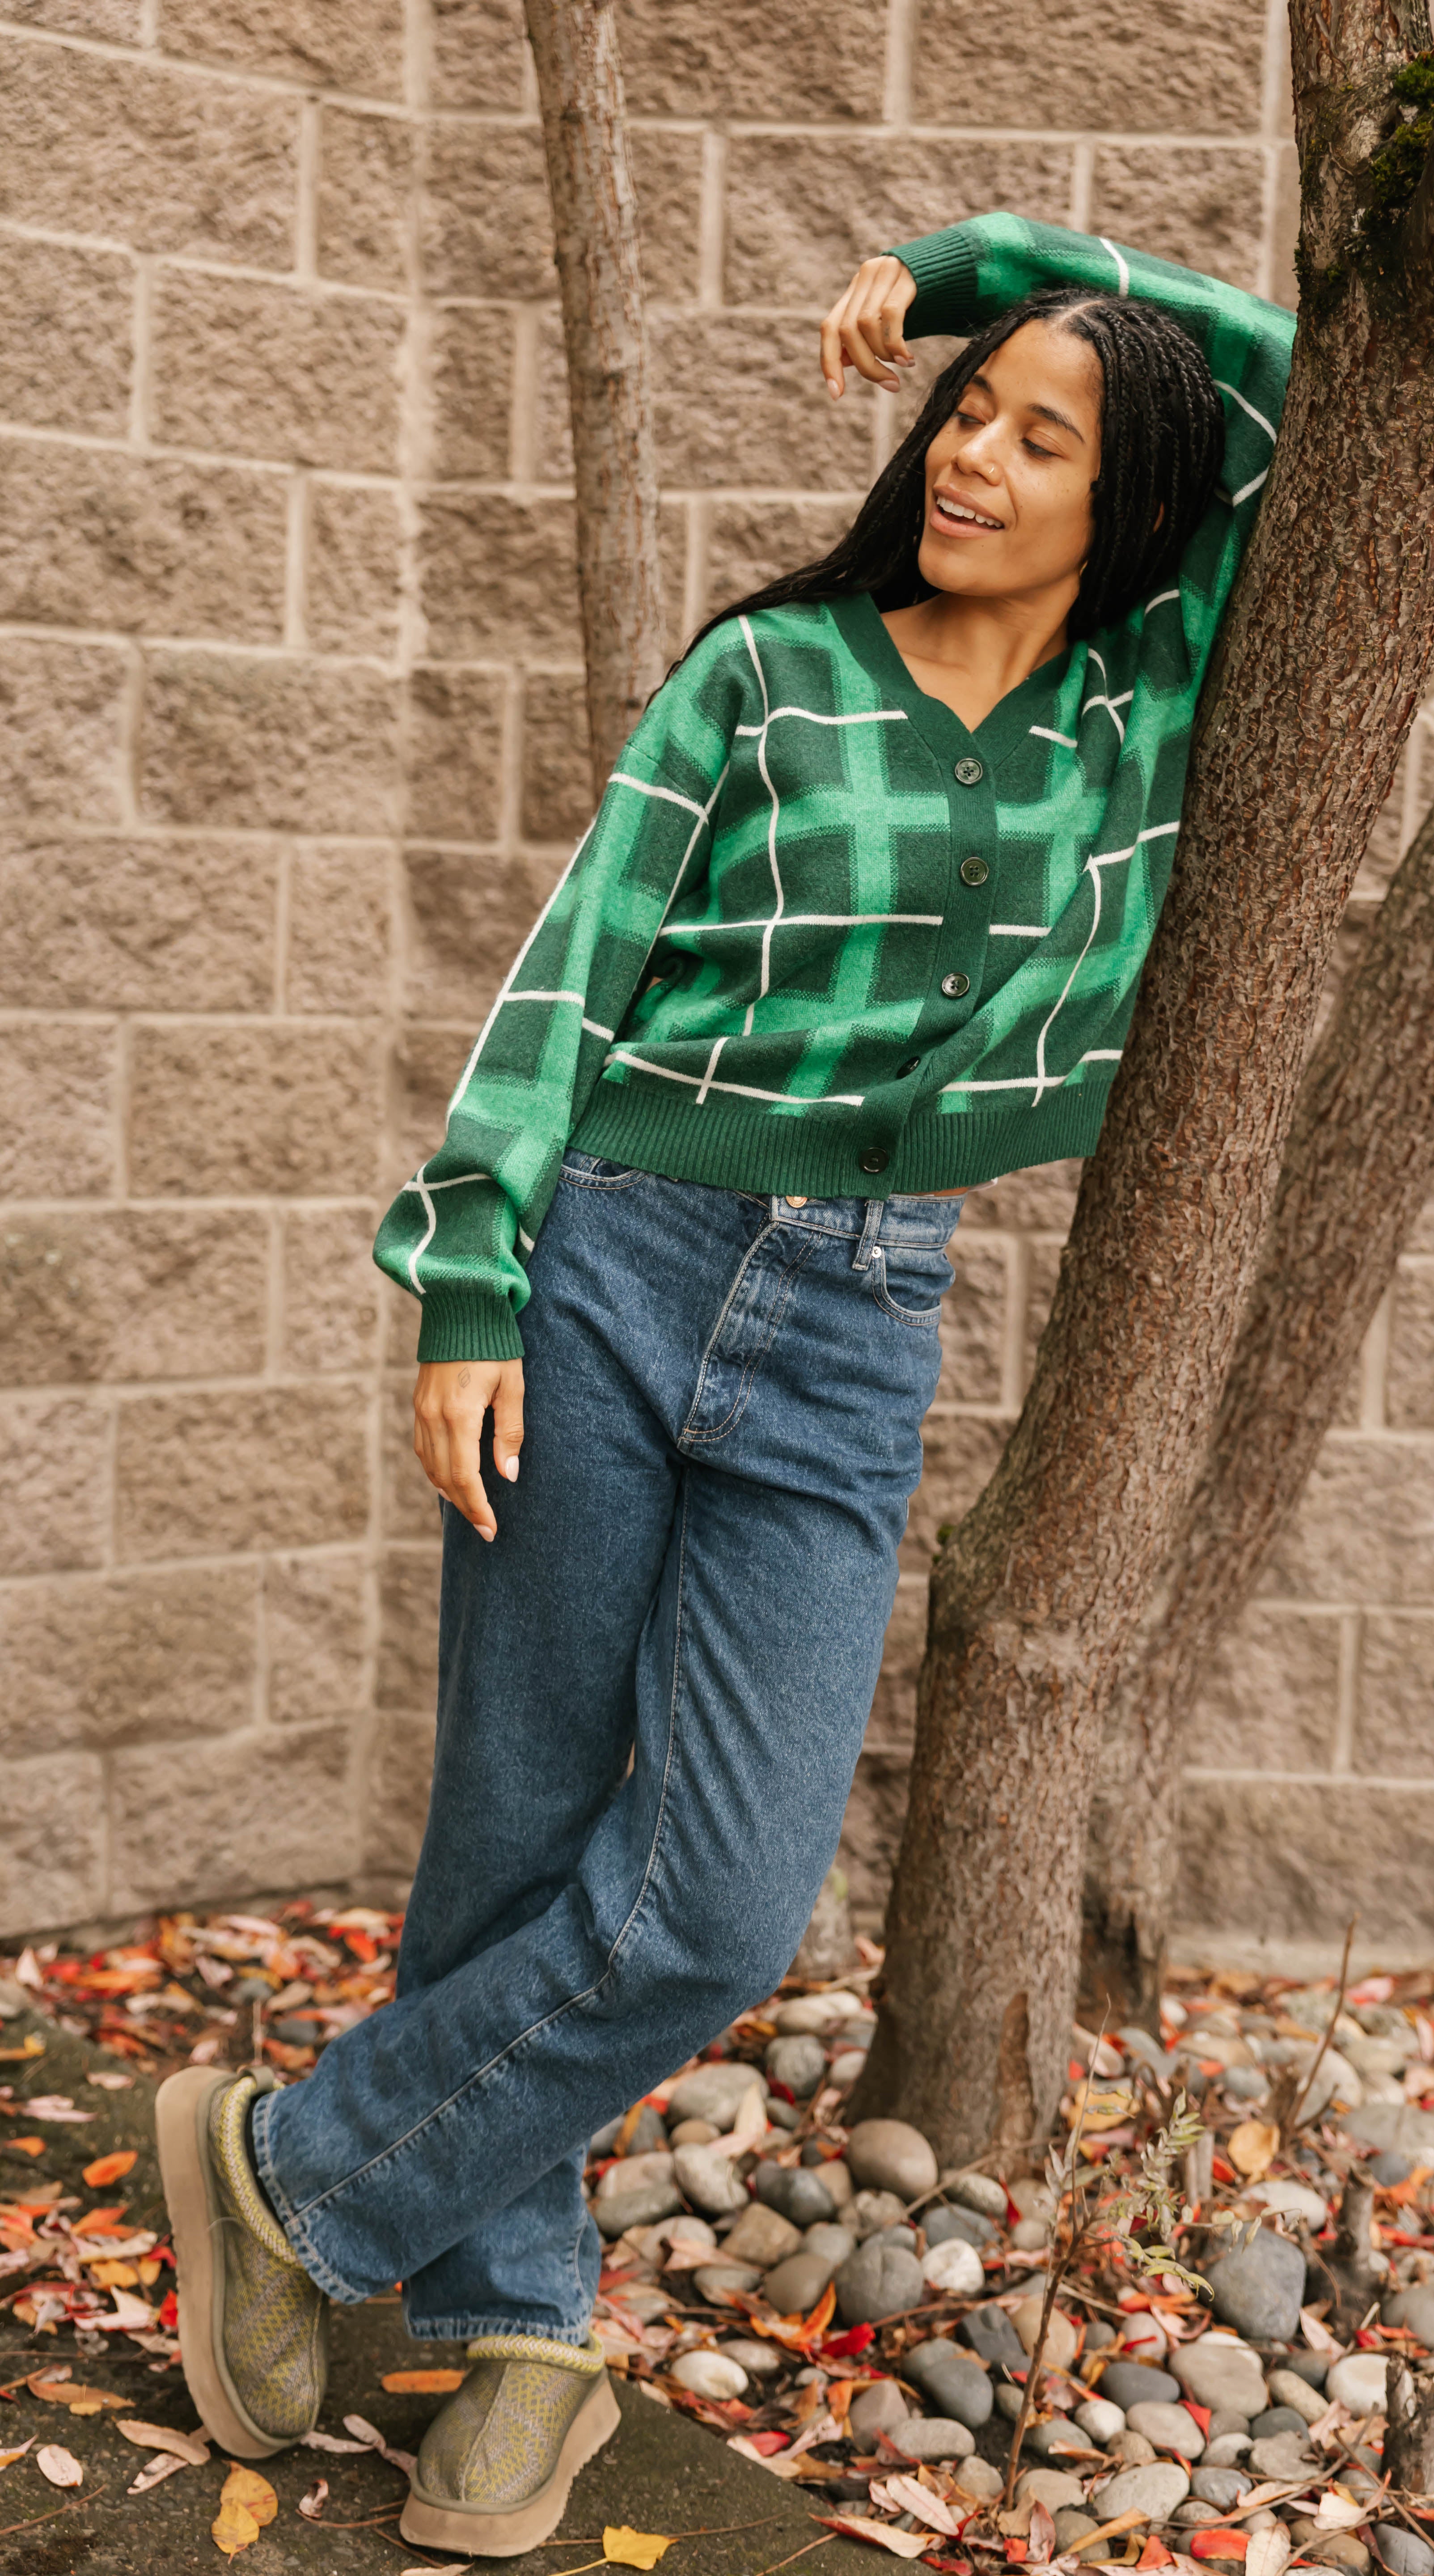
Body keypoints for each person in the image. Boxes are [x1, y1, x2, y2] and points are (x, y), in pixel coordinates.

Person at [155, 213, 1293, 2556]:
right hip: (612, 1256)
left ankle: (284, 2173)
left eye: (1041, 435)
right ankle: (517, 2334)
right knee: (514, 1826)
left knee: (722, 1905)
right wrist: (469, 1282)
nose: (970, 452)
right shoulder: (769, 673)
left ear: (1132, 499)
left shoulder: (1139, 703)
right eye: (965, 410)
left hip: (861, 1321)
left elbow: (1305, 388)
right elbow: (570, 974)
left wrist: (979, 268)